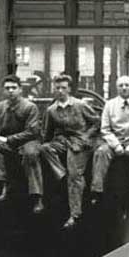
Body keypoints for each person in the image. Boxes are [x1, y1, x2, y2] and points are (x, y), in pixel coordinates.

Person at [39, 74, 99, 230]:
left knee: (75, 176)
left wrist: (86, 136)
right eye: (57, 88)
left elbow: (96, 122)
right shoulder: (51, 110)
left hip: (81, 143)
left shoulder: (80, 105)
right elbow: (46, 133)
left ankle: (75, 214)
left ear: (69, 89)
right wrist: (50, 143)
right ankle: (61, 174)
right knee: (44, 148)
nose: (60, 91)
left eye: (63, 88)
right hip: (63, 142)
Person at [90, 75, 129, 209]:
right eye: (121, 85)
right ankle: (97, 191)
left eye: (127, 85)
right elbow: (105, 129)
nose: (124, 88)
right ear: (117, 88)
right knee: (101, 152)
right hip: (115, 141)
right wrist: (116, 145)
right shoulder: (109, 105)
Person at [0, 74, 44, 213]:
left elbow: (32, 132)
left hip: (28, 141)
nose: (11, 91)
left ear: (20, 89)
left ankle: (37, 197)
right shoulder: (0, 107)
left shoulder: (30, 107)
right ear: (3, 90)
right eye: (7, 88)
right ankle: (3, 186)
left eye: (14, 87)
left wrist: (8, 139)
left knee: (31, 154)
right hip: (8, 142)